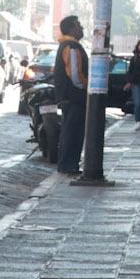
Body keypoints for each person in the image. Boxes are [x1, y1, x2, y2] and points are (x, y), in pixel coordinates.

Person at [51, 13, 91, 175]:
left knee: (71, 131)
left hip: (70, 96)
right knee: (72, 132)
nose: (81, 28)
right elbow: (75, 75)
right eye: (79, 25)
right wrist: (87, 87)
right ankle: (68, 165)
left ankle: (69, 164)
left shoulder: (69, 45)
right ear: (72, 28)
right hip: (74, 97)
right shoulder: (71, 47)